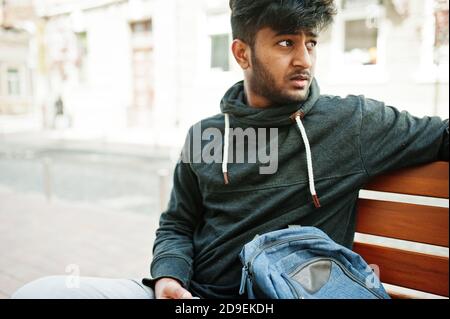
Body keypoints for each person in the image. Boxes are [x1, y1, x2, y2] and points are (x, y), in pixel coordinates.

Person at [12, 0, 448, 299]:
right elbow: (178, 224)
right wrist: (168, 276)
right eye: (285, 43)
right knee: (39, 292)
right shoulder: (206, 135)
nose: (305, 60)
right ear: (241, 53)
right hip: (191, 295)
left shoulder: (351, 124)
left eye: (310, 42)